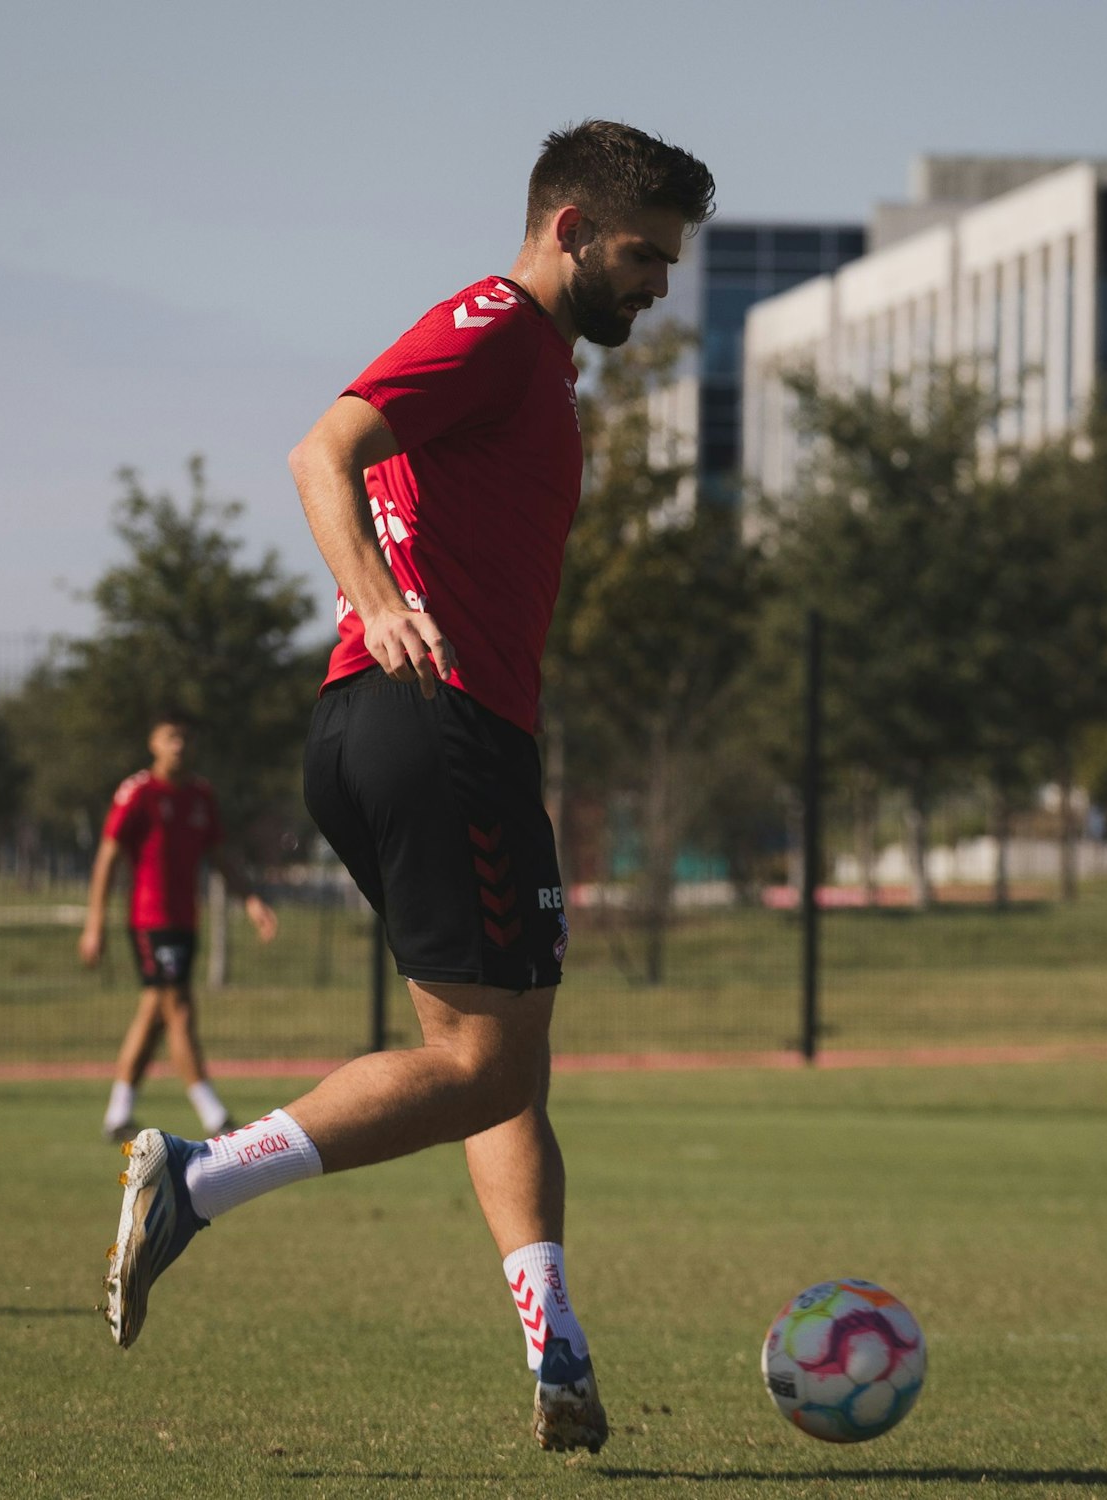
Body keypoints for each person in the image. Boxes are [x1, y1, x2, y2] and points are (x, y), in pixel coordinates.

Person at [100, 120, 715, 1455]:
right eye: (644, 255)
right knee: (487, 1060)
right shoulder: (494, 323)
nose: (660, 282)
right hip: (437, 724)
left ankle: (555, 1346)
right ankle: (198, 1180)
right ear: (568, 229)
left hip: (407, 730)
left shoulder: (538, 364)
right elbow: (322, 449)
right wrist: (380, 603)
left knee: (497, 1063)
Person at [79, 712, 280, 1141]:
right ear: (152, 742)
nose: (179, 745)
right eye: (170, 737)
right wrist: (94, 922)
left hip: (186, 921)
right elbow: (107, 858)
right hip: (150, 920)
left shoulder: (200, 795)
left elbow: (221, 857)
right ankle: (215, 1115)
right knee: (179, 1010)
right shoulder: (137, 793)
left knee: (154, 1014)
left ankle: (118, 1114)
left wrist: (251, 899)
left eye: (185, 738)